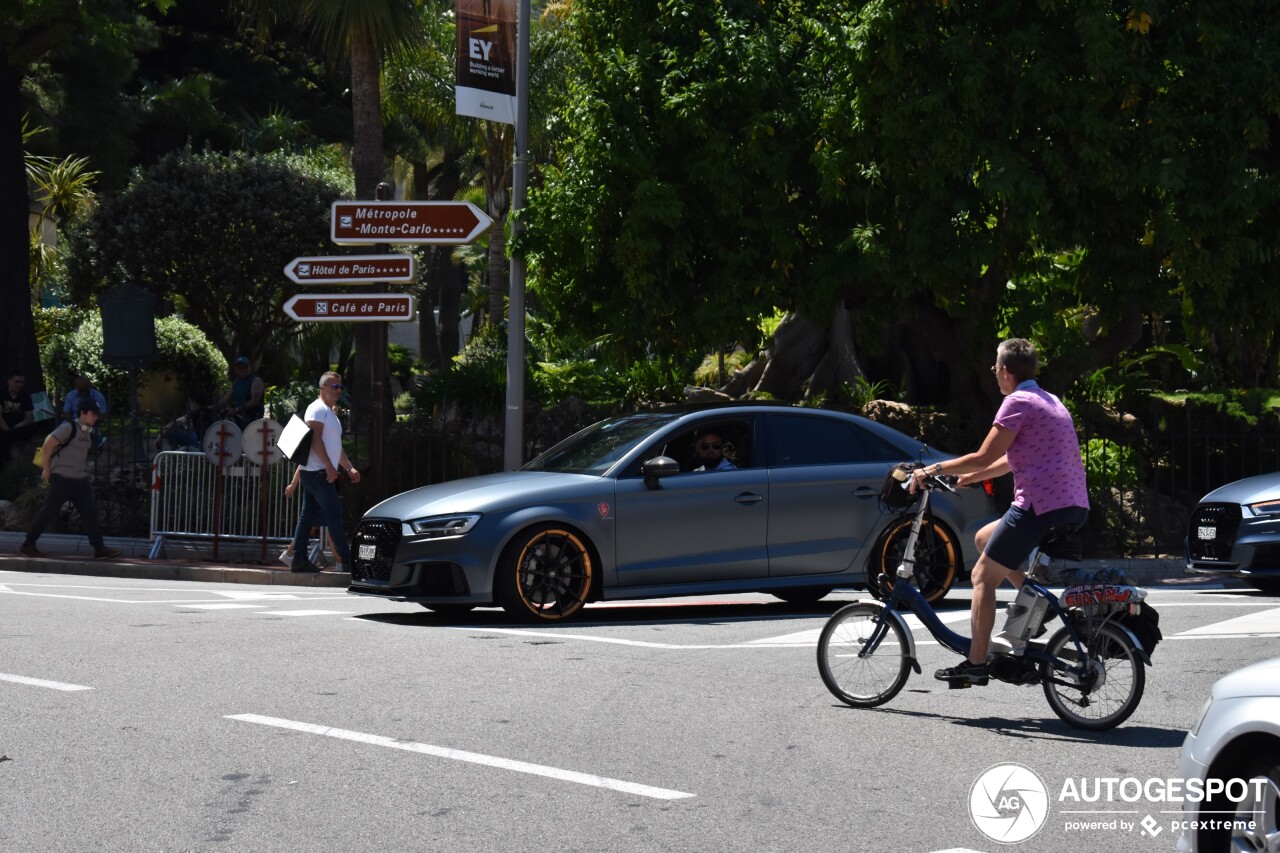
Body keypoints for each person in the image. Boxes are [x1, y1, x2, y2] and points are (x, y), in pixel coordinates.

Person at [910, 338, 1089, 687]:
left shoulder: (1017, 402)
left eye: (995, 368)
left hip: (1039, 507)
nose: (994, 374)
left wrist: (931, 470)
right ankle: (1039, 602)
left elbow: (982, 454)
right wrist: (973, 478)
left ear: (1006, 371)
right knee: (983, 538)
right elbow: (1011, 458)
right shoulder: (1049, 401)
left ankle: (976, 663)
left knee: (982, 577)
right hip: (1071, 505)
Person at [20, 399, 122, 561]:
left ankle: (99, 549)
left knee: (89, 512)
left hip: (80, 479)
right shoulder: (68, 427)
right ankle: (28, 544)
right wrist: (47, 469)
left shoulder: (88, 431)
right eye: (93, 414)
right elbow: (48, 444)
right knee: (48, 512)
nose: (96, 417)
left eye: (97, 415)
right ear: (82, 413)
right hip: (62, 478)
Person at [288, 371, 358, 573]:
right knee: (334, 512)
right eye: (334, 386)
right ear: (323, 388)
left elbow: (336, 445)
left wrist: (348, 467)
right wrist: (328, 465)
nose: (338, 390)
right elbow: (315, 439)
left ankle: (299, 559)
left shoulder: (330, 413)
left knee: (307, 515)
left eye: (340, 387)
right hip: (317, 471)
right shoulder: (317, 409)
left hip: (318, 471)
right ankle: (346, 559)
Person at [278, 465, 344, 571]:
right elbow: (302, 465)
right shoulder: (319, 451)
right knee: (326, 523)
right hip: (321, 484)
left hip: (323, 483)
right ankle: (340, 560)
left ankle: (289, 553)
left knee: (310, 523)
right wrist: (293, 484)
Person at [218, 356, 265, 427]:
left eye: (245, 367)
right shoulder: (236, 383)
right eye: (239, 368)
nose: (243, 369)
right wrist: (211, 407)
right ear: (236, 369)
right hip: (239, 418)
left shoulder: (256, 380)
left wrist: (236, 409)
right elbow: (225, 400)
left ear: (250, 367)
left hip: (253, 420)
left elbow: (255, 401)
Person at [1, 370, 36, 462]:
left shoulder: (25, 396)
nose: (20, 385)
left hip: (18, 427)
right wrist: (8, 431)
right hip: (4, 426)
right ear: (9, 381)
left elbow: (30, 417)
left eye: (22, 382)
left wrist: (22, 423)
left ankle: (12, 443)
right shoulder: (1, 394)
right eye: (17, 382)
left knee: (32, 428)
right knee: (3, 436)